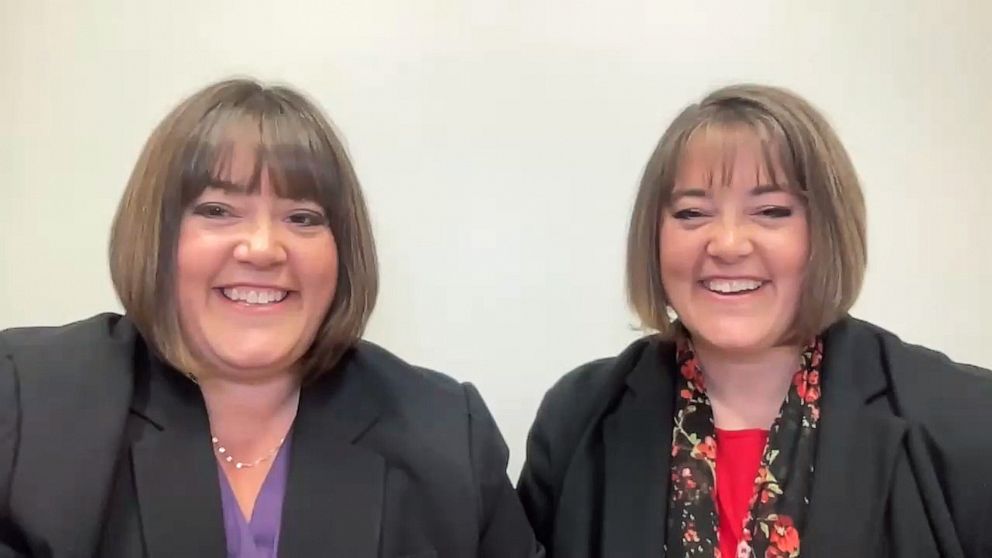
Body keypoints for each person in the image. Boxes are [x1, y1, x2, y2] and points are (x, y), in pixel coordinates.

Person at [0, 79, 540, 558]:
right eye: (217, 210)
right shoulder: (26, 401)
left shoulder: (446, 432)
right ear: (155, 236)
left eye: (302, 218)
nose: (262, 248)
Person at [516, 83, 992, 557]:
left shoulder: (968, 421)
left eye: (770, 211)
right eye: (691, 212)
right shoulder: (577, 418)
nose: (727, 244)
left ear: (827, 231)